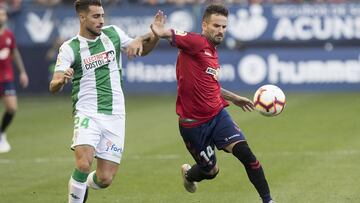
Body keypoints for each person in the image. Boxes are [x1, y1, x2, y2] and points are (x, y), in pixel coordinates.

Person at [151, 4, 275, 203]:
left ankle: (268, 200)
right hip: (193, 125)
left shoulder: (212, 51)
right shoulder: (196, 42)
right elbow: (174, 34)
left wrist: (233, 98)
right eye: (216, 26)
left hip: (218, 116)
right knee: (210, 171)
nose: (221, 31)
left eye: (224, 27)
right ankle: (189, 175)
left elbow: (211, 85)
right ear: (204, 25)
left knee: (247, 155)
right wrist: (160, 31)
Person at [49, 0, 160, 202]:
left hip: (115, 115)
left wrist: (155, 37)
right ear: (82, 18)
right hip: (87, 112)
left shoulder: (113, 34)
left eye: (102, 15)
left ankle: (81, 185)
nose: (101, 20)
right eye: (95, 16)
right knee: (83, 163)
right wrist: (61, 79)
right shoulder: (69, 48)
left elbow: (142, 49)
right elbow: (53, 85)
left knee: (105, 178)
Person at [0, 6, 29, 153]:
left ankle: (2, 133)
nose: (2, 17)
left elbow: (15, 53)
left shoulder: (9, 35)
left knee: (11, 108)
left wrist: (23, 72)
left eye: (4, 14)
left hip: (6, 77)